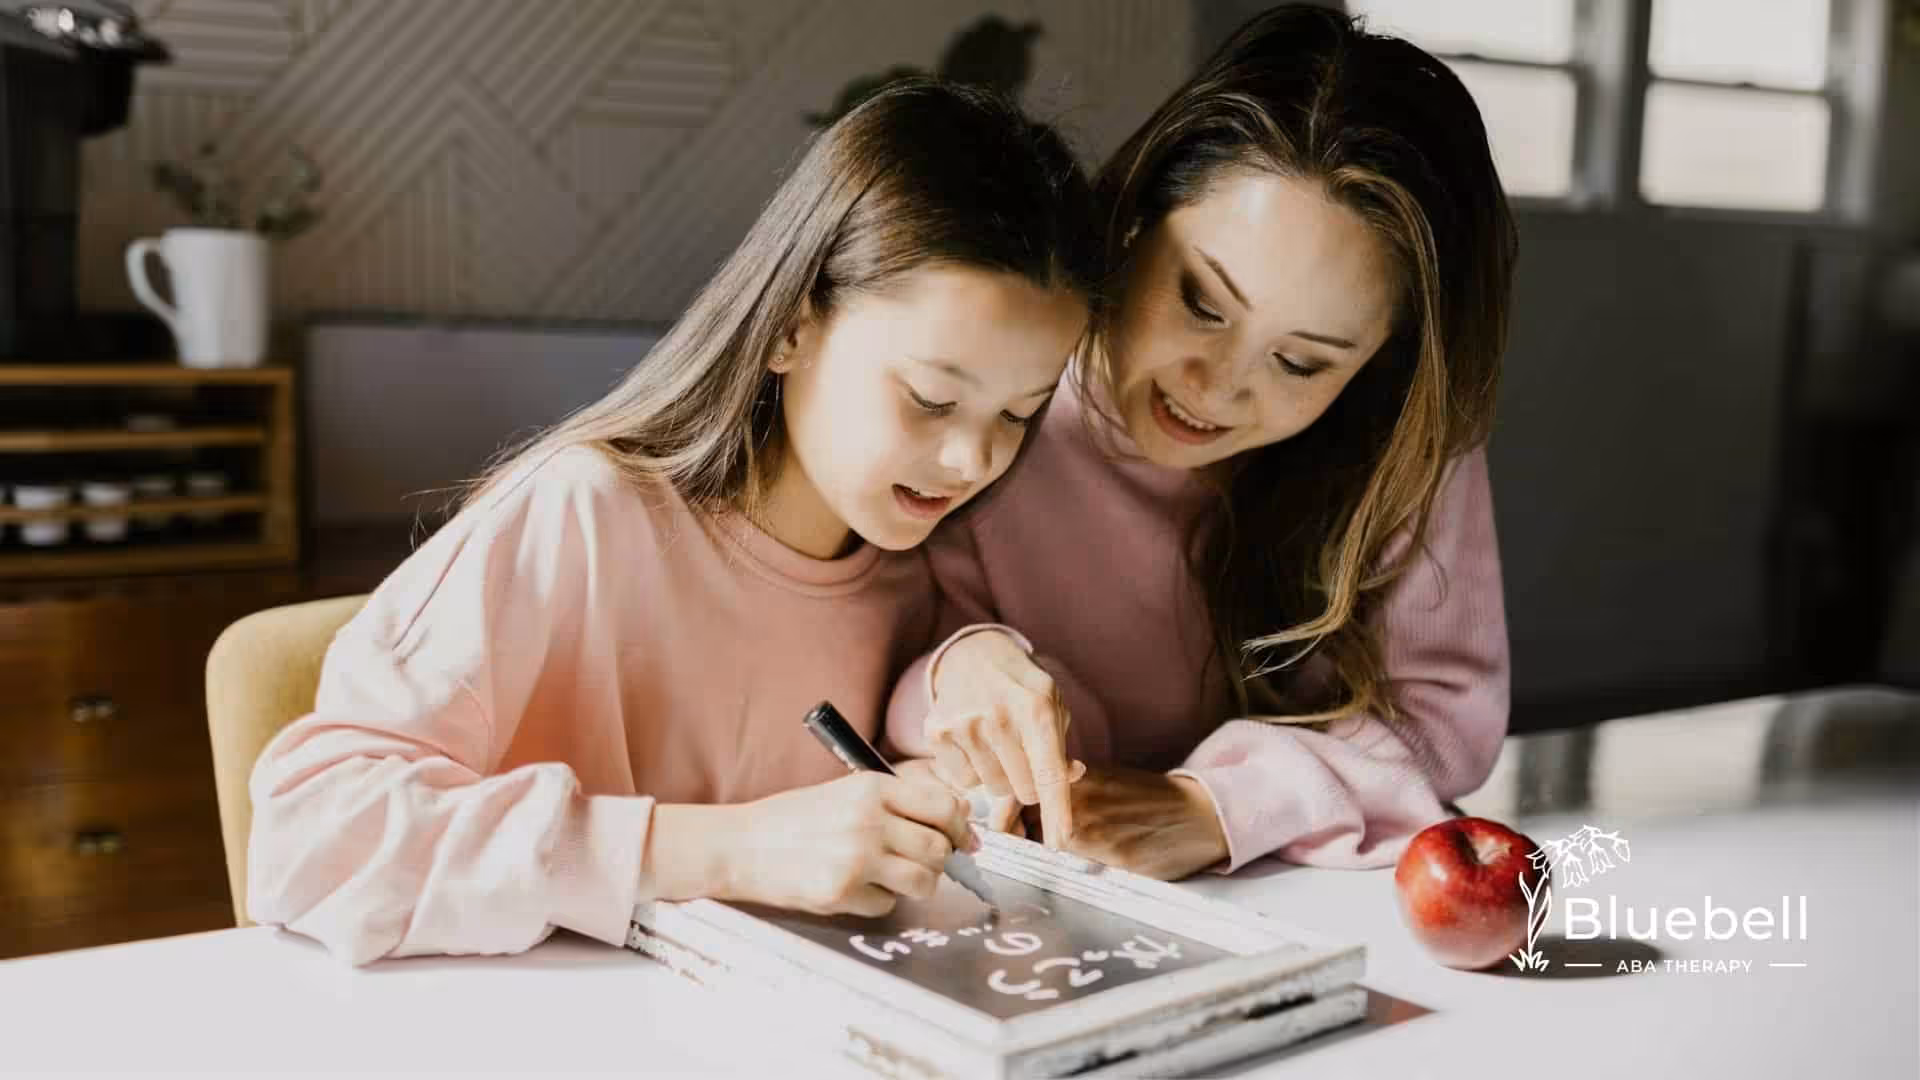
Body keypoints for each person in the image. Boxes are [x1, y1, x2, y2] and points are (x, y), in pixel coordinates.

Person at [245, 81, 1099, 965]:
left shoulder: (909, 557)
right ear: (791, 328)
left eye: (1017, 414)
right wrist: (729, 848)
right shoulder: (580, 515)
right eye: (931, 398)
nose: (973, 462)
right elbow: (309, 839)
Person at [887, 6, 1519, 880]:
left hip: (1276, 902)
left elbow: (1444, 718)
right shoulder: (1000, 381)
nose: (1217, 386)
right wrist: (958, 672)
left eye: (1300, 362)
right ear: (1136, 219)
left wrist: (1218, 808)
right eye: (1201, 302)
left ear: (1378, 366)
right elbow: (866, 642)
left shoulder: (1400, 441)